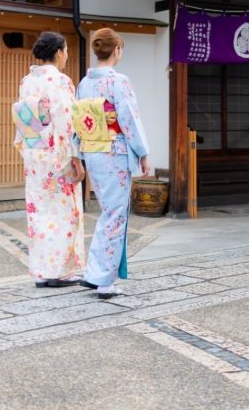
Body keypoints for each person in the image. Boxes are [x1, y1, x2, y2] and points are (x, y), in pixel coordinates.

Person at [74, 28, 150, 300]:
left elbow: (78, 119)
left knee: (108, 212)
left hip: (93, 151)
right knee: (116, 214)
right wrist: (142, 151)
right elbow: (129, 118)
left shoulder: (84, 83)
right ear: (116, 50)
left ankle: (95, 271)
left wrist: (78, 150)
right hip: (115, 150)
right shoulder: (119, 81)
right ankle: (103, 279)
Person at [11, 31, 85, 287]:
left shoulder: (26, 81)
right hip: (57, 155)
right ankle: (60, 271)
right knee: (65, 212)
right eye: (65, 50)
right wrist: (75, 157)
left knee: (39, 212)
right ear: (58, 52)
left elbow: (22, 118)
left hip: (34, 153)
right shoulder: (61, 81)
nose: (66, 56)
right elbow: (67, 121)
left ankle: (42, 272)